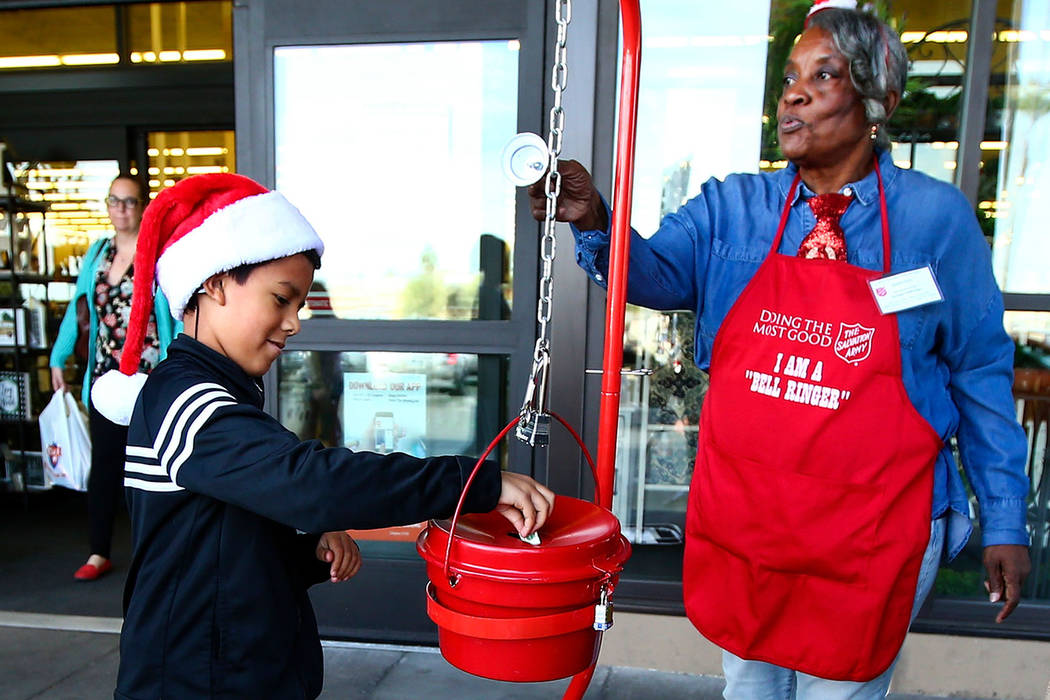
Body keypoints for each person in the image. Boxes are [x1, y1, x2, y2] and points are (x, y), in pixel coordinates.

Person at [529, 3, 1031, 698]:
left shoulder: (935, 222)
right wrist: (594, 219)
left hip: (874, 528)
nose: (792, 94)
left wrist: (1006, 517)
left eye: (822, 77)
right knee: (751, 689)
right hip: (753, 522)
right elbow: (649, 273)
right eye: (790, 77)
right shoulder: (733, 208)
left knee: (841, 688)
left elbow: (979, 369)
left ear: (878, 101)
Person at [88, 172, 555, 699]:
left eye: (299, 306)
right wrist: (472, 484)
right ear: (213, 283)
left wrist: (307, 542)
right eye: (280, 299)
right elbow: (309, 482)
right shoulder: (187, 402)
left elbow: (224, 537)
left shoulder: (223, 394)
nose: (294, 323)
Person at [49, 173, 179, 582]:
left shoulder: (158, 254)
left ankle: (157, 556)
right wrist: (58, 357)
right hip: (105, 379)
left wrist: (177, 366)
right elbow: (79, 307)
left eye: (130, 201)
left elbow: (173, 315)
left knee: (154, 469)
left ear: (143, 207)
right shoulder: (97, 253)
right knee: (105, 466)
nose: (121, 208)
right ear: (107, 206)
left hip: (149, 377)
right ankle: (98, 551)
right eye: (115, 201)